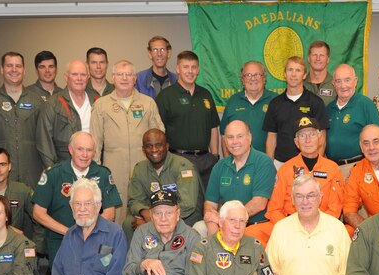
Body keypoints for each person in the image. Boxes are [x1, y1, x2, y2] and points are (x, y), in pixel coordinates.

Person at [245, 117, 345, 245]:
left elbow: (335, 209)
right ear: (296, 142)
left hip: (322, 226)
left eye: (312, 134)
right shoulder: (286, 169)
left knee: (346, 234)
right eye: (302, 136)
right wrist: (292, 227)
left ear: (319, 138)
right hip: (289, 225)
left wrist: (315, 227)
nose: (307, 140)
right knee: (249, 234)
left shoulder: (332, 168)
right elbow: (274, 209)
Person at [91, 59, 164, 225]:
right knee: (115, 213)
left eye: (128, 74)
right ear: (113, 77)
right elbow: (95, 141)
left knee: (144, 211)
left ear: (135, 78)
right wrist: (96, 173)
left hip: (144, 165)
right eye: (120, 74)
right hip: (113, 167)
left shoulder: (148, 103)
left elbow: (159, 137)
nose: (124, 78)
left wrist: (159, 168)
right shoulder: (101, 105)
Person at [32, 131, 121, 259]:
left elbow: (110, 213)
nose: (85, 155)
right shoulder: (53, 174)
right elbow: (38, 213)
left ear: (94, 153)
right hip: (60, 238)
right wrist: (69, 232)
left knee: (99, 273)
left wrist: (89, 232)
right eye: (80, 149)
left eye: (89, 150)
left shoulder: (103, 174)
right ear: (70, 150)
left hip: (95, 238)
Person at [0, 52, 46, 187]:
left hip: (32, 172)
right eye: (9, 66)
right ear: (2, 70)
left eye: (18, 66)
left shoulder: (37, 100)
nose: (14, 70)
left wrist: (47, 167)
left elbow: (45, 138)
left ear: (24, 70)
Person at [123, 128, 205, 238]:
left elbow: (187, 204)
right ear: (143, 149)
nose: (154, 150)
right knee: (129, 223)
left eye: (159, 145)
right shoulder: (139, 169)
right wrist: (144, 211)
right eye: (149, 146)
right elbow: (134, 201)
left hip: (183, 217)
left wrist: (157, 219)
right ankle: (134, 255)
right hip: (151, 214)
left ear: (167, 146)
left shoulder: (183, 167)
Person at [155, 50, 221, 187]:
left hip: (206, 161)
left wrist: (215, 156)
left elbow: (213, 127)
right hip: (178, 160)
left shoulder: (206, 94)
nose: (190, 71)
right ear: (178, 69)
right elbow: (158, 132)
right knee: (184, 203)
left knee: (207, 203)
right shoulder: (166, 96)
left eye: (194, 67)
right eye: (186, 67)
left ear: (198, 70)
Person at [202, 120, 276, 237]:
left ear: (249, 137)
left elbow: (259, 204)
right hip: (223, 224)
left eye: (239, 136)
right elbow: (210, 204)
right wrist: (213, 228)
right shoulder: (220, 166)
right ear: (225, 141)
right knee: (198, 229)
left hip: (254, 226)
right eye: (230, 137)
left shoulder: (263, 162)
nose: (235, 141)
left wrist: (229, 220)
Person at [263, 56, 329, 167]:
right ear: (285, 74)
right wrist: (269, 167)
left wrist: (316, 166)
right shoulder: (275, 103)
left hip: (307, 164)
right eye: (290, 70)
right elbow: (271, 139)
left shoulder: (316, 102)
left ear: (304, 75)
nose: (293, 74)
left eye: (298, 70)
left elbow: (321, 139)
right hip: (280, 164)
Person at [325, 64, 379, 178]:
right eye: (338, 81)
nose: (343, 85)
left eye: (347, 80)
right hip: (333, 169)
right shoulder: (329, 108)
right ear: (333, 84)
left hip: (357, 167)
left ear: (355, 81)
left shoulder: (365, 105)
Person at [38, 60, 97, 166]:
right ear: (66, 77)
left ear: (88, 77)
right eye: (74, 74)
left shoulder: (97, 100)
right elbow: (44, 142)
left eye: (83, 75)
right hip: (64, 166)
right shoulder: (53, 103)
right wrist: (53, 171)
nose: (79, 79)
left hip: (93, 164)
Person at [220, 61, 277, 154]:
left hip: (268, 163)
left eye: (257, 74)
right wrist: (228, 163)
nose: (253, 78)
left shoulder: (275, 100)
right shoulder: (233, 101)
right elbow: (224, 135)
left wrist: (270, 165)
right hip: (238, 164)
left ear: (264, 78)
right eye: (248, 75)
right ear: (242, 80)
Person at [303, 40, 336, 106]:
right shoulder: (300, 85)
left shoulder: (336, 85)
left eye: (322, 55)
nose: (318, 58)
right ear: (309, 59)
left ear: (328, 59)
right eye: (314, 55)